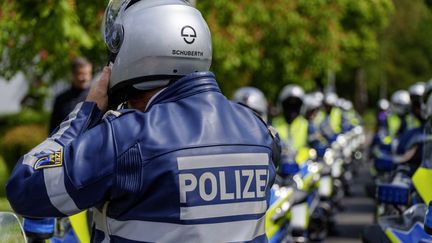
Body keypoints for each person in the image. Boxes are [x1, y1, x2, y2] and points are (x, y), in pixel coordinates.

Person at [6, 1, 278, 242]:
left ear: (138, 48)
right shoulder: (259, 132)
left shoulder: (125, 137)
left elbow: (25, 188)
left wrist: (86, 113)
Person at [49, 57, 92, 133]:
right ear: (73, 75)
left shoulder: (96, 97)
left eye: (87, 74)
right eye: (81, 74)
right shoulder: (61, 99)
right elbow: (53, 129)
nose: (84, 78)